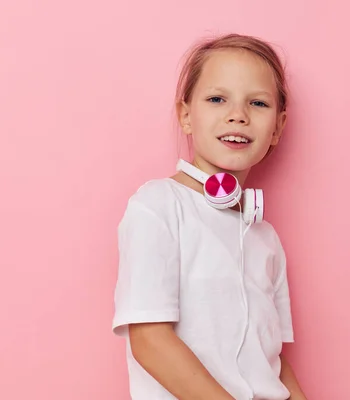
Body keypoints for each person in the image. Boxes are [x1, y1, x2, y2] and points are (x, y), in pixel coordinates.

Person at [112, 33, 307, 400]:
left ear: (278, 127)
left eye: (258, 103)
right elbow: (149, 339)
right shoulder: (157, 206)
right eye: (217, 99)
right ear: (186, 116)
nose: (238, 115)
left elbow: (273, 362)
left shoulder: (264, 235)